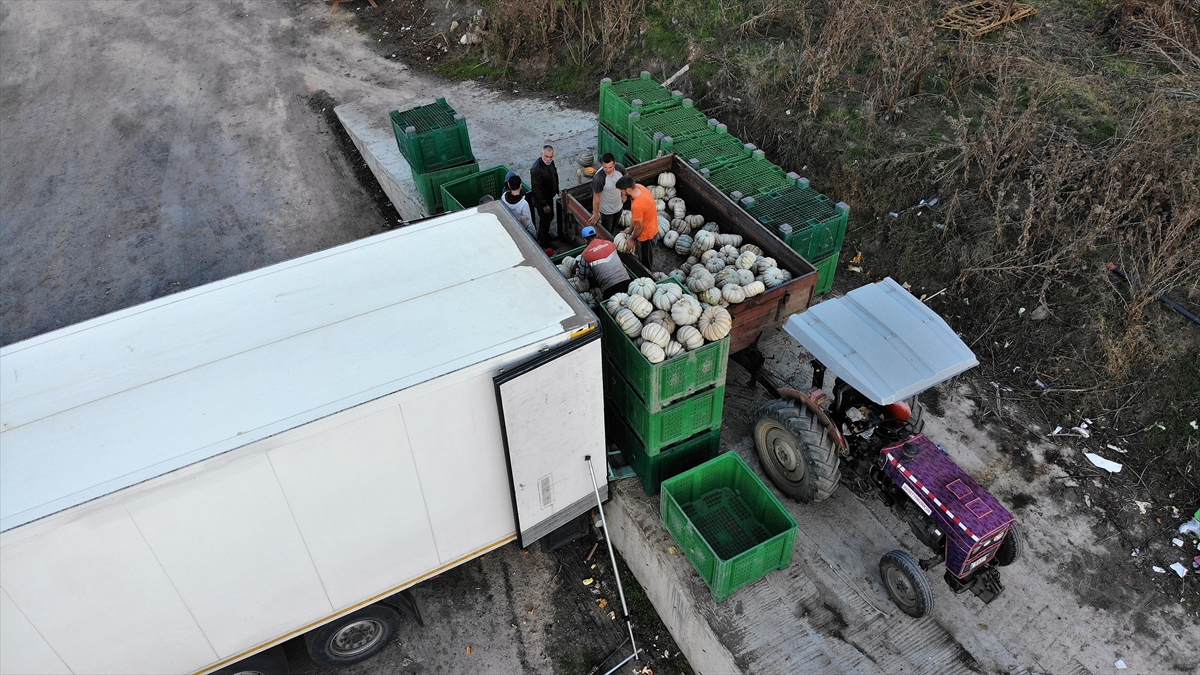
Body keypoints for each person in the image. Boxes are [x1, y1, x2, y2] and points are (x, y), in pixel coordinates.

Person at [616, 175, 657, 270]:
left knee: (645, 260)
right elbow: (635, 218)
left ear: (628, 190)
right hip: (653, 226)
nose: (622, 193)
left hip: (646, 237)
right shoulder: (639, 187)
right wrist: (630, 230)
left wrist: (632, 239)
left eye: (622, 191)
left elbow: (639, 227)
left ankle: (647, 274)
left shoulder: (638, 205)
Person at [579, 226, 631, 299]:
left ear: (585, 240)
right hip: (627, 282)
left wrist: (577, 268)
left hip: (610, 288)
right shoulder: (610, 243)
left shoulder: (585, 254)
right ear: (597, 235)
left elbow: (582, 276)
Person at [529, 145, 559, 247]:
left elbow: (554, 175)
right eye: (546, 156)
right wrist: (544, 204)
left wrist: (556, 189)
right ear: (541, 154)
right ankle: (543, 241)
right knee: (544, 220)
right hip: (542, 200)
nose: (548, 159)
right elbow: (536, 189)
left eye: (551, 157)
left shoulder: (551, 163)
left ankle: (546, 235)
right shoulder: (536, 169)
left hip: (549, 196)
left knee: (550, 216)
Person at [589, 153, 627, 232]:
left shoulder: (620, 168)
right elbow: (596, 197)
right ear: (602, 164)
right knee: (607, 231)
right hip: (606, 211)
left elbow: (626, 180)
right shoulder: (599, 178)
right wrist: (596, 214)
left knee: (615, 226)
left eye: (610, 167)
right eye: (605, 167)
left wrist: (624, 195)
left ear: (614, 164)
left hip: (619, 206)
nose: (608, 170)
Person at [501, 174, 535, 239]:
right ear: (520, 185)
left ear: (509, 185)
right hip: (522, 232)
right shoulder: (524, 204)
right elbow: (528, 222)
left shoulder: (504, 197)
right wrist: (534, 233)